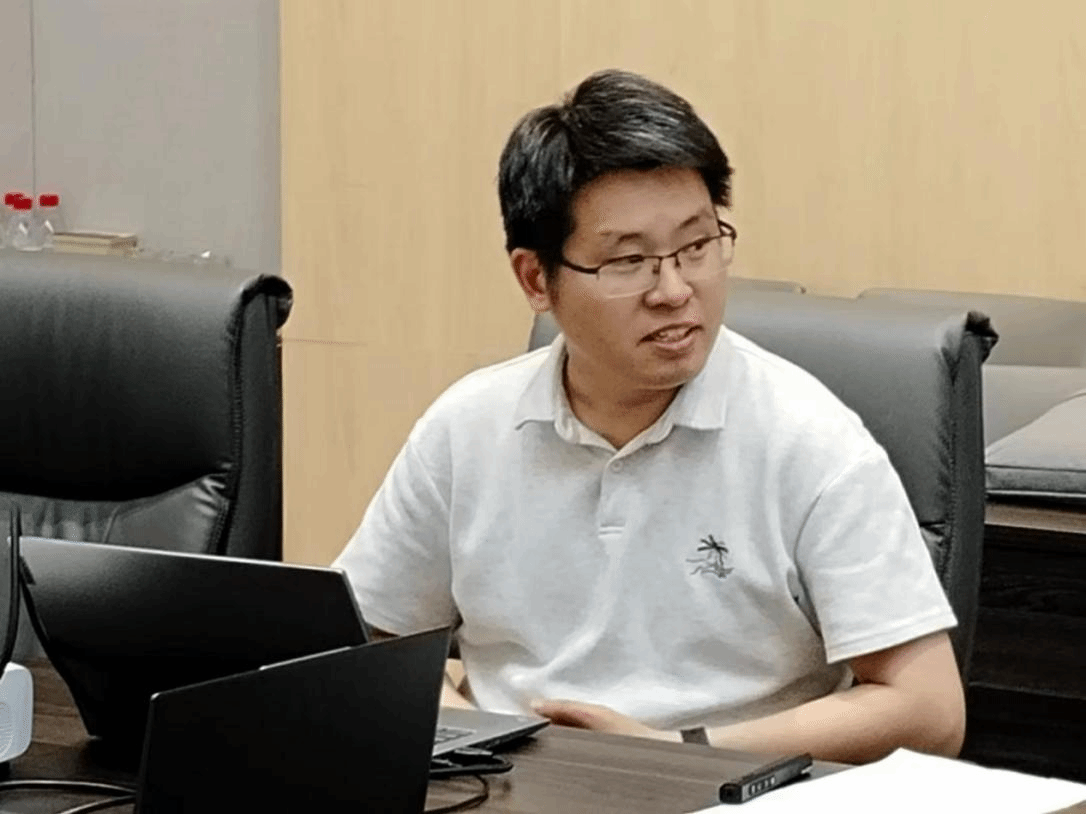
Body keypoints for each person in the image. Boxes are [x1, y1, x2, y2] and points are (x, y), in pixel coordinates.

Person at [333, 69, 965, 764]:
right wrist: (473, 728)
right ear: (536, 278)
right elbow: (363, 643)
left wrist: (675, 752)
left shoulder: (808, 439)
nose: (674, 290)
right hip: (509, 784)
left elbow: (929, 709)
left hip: (722, 787)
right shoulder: (466, 428)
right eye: (629, 260)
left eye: (697, 246)